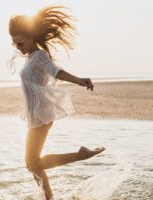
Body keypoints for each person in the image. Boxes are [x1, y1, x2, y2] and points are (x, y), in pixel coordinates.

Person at [7, 5, 106, 200]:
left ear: (31, 37)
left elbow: (56, 71)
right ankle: (48, 197)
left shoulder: (40, 56)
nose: (17, 48)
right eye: (14, 45)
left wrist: (79, 80)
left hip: (42, 115)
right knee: (32, 164)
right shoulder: (30, 58)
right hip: (35, 115)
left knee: (32, 163)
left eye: (19, 43)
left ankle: (80, 156)